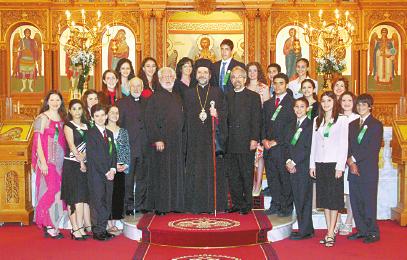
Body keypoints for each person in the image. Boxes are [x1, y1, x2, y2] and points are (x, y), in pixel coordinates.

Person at [184, 59, 228, 213]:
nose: (202, 75)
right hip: (195, 141)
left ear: (210, 75)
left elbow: (226, 114)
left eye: (205, 72)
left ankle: (213, 205)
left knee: (212, 171)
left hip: (211, 140)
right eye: (199, 72)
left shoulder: (217, 92)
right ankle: (195, 206)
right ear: (195, 75)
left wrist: (218, 114)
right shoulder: (189, 93)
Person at [309, 91, 348, 247]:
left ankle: (331, 232)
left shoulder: (341, 120)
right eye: (323, 101)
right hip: (320, 163)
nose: (326, 104)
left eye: (329, 101)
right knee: (325, 200)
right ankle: (329, 231)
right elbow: (314, 144)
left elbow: (344, 144)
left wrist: (340, 166)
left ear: (334, 102)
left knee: (334, 200)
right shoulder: (317, 120)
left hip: (334, 164)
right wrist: (312, 164)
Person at [145, 67, 185, 215]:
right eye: (165, 77)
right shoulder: (154, 98)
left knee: (175, 173)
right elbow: (150, 121)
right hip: (162, 142)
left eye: (170, 76)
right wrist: (157, 139)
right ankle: (162, 207)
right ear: (159, 79)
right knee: (162, 174)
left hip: (176, 141)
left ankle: (175, 205)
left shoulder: (177, 97)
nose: (168, 79)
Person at [347, 94, 383, 243]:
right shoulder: (352, 124)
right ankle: (361, 230)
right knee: (356, 201)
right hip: (353, 169)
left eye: (364, 105)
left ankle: (372, 232)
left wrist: (354, 159)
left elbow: (372, 148)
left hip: (368, 170)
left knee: (368, 201)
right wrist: (350, 162)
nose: (361, 107)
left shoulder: (376, 125)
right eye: (359, 105)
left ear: (370, 107)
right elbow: (348, 145)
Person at [226, 66, 262, 214]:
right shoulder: (226, 96)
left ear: (245, 79)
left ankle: (247, 204)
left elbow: (257, 119)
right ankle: (236, 203)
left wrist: (254, 138)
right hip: (230, 142)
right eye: (234, 77)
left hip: (247, 142)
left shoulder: (253, 96)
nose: (237, 80)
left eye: (240, 77)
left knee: (246, 174)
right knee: (233, 175)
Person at [32, 90, 67, 239]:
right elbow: (37, 141)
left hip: (61, 163)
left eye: (57, 100)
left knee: (59, 194)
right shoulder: (42, 117)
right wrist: (43, 162)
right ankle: (48, 223)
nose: (55, 102)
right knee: (50, 191)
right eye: (52, 100)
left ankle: (54, 224)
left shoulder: (63, 117)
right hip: (49, 162)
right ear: (47, 102)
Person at [262, 73, 296, 217]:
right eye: (275, 83)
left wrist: (277, 141)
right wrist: (263, 139)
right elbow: (262, 123)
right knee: (272, 177)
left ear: (286, 85)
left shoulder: (292, 103)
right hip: (268, 148)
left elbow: (292, 127)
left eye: (281, 83)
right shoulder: (268, 103)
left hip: (282, 148)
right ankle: (275, 204)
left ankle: (286, 206)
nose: (277, 86)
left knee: (284, 178)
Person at [117, 77, 148, 215]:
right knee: (128, 181)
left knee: (143, 178)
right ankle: (128, 206)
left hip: (144, 147)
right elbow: (119, 127)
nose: (136, 89)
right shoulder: (121, 104)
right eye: (133, 86)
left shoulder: (148, 102)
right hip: (128, 148)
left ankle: (140, 205)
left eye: (139, 86)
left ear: (142, 88)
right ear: (129, 88)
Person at [61, 99, 91, 240]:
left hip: (84, 163)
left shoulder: (87, 125)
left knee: (82, 198)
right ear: (70, 111)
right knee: (73, 197)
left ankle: (81, 227)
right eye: (74, 109)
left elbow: (90, 144)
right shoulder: (68, 125)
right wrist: (81, 162)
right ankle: (75, 228)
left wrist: (85, 158)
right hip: (72, 165)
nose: (77, 111)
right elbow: (72, 146)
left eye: (79, 108)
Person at [285, 97, 314, 240]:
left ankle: (305, 231)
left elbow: (307, 148)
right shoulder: (290, 125)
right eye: (296, 107)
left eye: (302, 107)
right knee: (298, 198)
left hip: (302, 167)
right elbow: (287, 146)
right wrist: (289, 161)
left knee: (304, 199)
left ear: (307, 109)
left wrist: (295, 162)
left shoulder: (310, 126)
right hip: (292, 167)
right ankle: (306, 227)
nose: (299, 109)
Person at [87, 104, 117, 241]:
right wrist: (105, 171)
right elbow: (93, 156)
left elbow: (113, 153)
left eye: (102, 115)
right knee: (98, 202)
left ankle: (103, 228)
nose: (100, 118)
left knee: (107, 201)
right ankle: (97, 231)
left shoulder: (109, 133)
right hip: (97, 175)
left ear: (106, 116)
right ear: (93, 118)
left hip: (109, 174)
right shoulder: (91, 133)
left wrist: (112, 169)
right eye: (96, 116)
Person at [245, 62, 270, 196]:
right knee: (249, 155)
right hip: (246, 126)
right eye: (250, 70)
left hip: (259, 124)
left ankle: (258, 183)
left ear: (258, 72)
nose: (252, 73)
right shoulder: (245, 86)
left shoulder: (263, 88)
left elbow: (266, 109)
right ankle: (249, 183)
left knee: (259, 156)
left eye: (255, 70)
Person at [337, 91, 359, 236]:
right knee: (337, 192)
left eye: (349, 100)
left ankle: (350, 221)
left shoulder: (358, 119)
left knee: (350, 193)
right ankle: (337, 220)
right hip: (337, 161)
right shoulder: (336, 118)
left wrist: (350, 159)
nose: (346, 103)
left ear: (354, 102)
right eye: (343, 100)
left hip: (351, 161)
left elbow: (358, 143)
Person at [106, 105, 130, 234]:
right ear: (107, 114)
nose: (114, 115)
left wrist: (125, 164)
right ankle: (108, 223)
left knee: (118, 195)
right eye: (112, 112)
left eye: (117, 113)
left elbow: (126, 149)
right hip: (108, 168)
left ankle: (115, 222)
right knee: (108, 194)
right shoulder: (103, 130)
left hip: (120, 168)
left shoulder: (123, 131)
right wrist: (111, 165)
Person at [13, 28, 40, 92]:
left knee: (31, 73)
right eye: (26, 33)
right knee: (23, 73)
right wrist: (21, 49)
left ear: (30, 33)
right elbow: (17, 49)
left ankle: (30, 87)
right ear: (24, 33)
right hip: (23, 58)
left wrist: (35, 57)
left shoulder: (33, 41)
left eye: (28, 33)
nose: (27, 34)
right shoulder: (21, 40)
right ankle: (24, 87)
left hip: (31, 58)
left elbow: (35, 50)